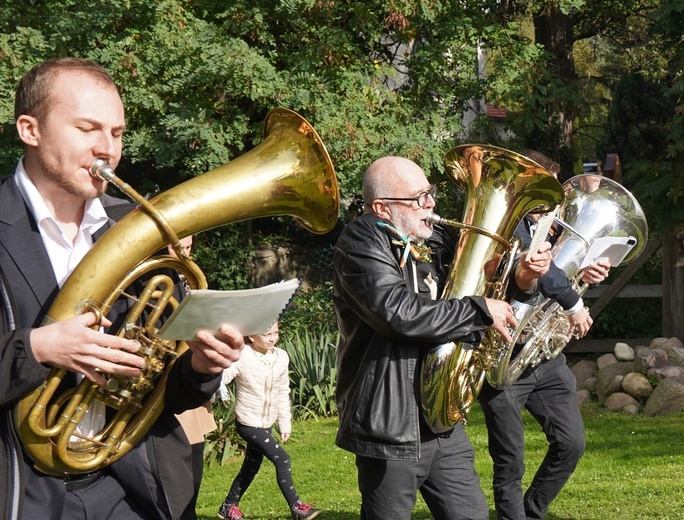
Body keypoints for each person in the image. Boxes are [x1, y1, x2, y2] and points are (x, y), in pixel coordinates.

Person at [0, 57, 244, 520]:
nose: (106, 149)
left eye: (116, 132)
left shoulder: (134, 231)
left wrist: (198, 366)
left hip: (128, 492)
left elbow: (159, 390)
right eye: (87, 128)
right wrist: (37, 347)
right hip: (19, 493)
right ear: (29, 130)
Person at [332, 156, 553, 520]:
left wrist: (522, 279)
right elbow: (398, 313)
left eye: (429, 192)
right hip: (392, 426)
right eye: (418, 197)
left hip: (442, 418)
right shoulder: (360, 240)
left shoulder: (437, 238)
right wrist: (480, 310)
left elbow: (485, 290)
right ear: (381, 208)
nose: (431, 203)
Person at [477, 150, 611, 520]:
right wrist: (572, 303)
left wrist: (587, 271)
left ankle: (531, 512)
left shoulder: (553, 226)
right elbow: (543, 270)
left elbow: (560, 273)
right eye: (543, 191)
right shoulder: (507, 224)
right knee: (510, 459)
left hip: (545, 358)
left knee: (572, 444)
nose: (551, 203)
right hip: (503, 355)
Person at [217, 321, 320, 520]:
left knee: (250, 467)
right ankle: (296, 507)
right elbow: (223, 375)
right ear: (251, 337)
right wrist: (214, 383)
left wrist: (285, 422)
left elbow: (283, 391)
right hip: (247, 422)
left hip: (267, 422)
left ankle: (228, 506)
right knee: (282, 459)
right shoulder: (242, 356)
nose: (272, 338)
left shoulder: (281, 357)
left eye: (275, 333)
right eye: (266, 334)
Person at [167, 235, 219, 520]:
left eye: (188, 247)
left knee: (193, 476)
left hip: (191, 384)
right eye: (178, 248)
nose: (184, 255)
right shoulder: (156, 278)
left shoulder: (190, 278)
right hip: (163, 385)